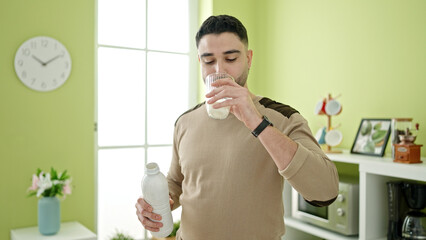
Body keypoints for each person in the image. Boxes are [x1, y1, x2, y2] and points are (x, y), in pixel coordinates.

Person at [136, 15, 339, 240]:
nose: (218, 70)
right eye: (208, 61)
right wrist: (154, 205)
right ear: (200, 62)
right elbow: (177, 182)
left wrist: (256, 120)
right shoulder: (185, 122)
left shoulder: (283, 118)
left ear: (249, 58)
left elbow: (325, 192)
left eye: (231, 58)